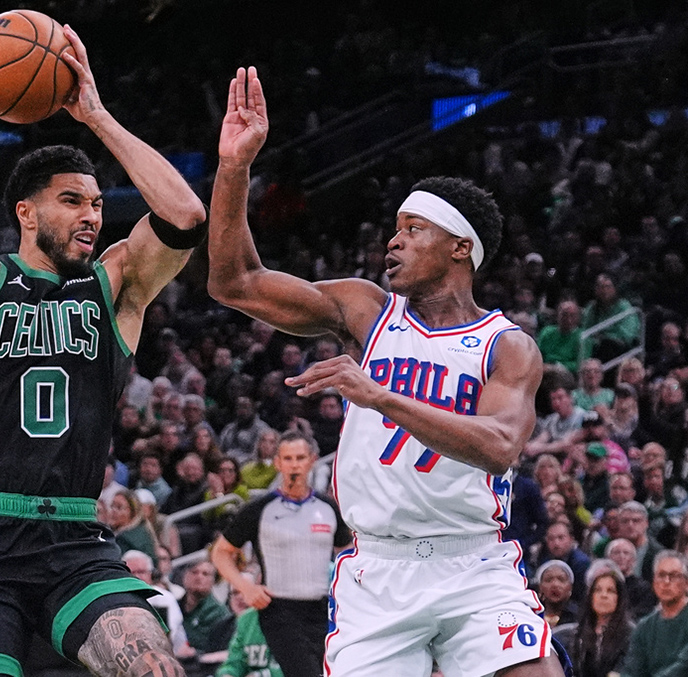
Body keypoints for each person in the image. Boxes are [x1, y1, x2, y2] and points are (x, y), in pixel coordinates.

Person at [0, 23, 206, 677]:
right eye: (72, 200)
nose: (92, 214)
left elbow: (185, 215)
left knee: (153, 663)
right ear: (26, 212)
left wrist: (98, 116)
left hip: (79, 537)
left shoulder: (114, 285)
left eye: (97, 202)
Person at [207, 67, 562, 675]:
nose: (390, 242)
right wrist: (235, 166)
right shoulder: (366, 310)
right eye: (394, 229)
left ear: (460, 247)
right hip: (378, 571)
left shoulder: (506, 346)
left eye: (412, 229)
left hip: (474, 564)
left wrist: (382, 397)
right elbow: (233, 282)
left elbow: (500, 447)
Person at [211, 431, 349, 677]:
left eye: (300, 457)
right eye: (287, 458)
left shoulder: (327, 508)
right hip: (279, 609)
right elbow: (221, 553)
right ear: (277, 463)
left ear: (312, 460)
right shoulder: (259, 509)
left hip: (323, 608)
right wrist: (245, 587)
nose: (294, 464)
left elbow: (347, 551)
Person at [622, 550, 688, 676]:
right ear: (653, 582)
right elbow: (632, 669)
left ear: (686, 583)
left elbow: (683, 666)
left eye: (673, 576)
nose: (666, 582)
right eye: (661, 575)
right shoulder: (644, 626)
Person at [570, 563, 634, 677]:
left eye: (610, 591)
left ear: (619, 598)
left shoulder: (630, 633)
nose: (603, 595)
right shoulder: (578, 632)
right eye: (598, 590)